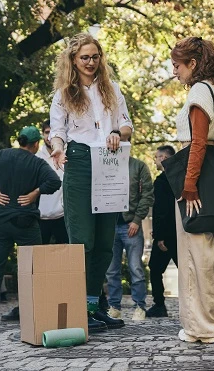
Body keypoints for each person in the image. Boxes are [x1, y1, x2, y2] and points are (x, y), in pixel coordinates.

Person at [49, 33, 133, 333]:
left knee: (103, 244)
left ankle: (94, 308)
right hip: (80, 162)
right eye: (85, 57)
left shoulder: (112, 89)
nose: (91, 62)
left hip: (109, 162)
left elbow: (126, 124)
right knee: (82, 241)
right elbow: (57, 131)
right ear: (73, 60)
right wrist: (57, 148)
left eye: (95, 56)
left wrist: (117, 134)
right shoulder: (63, 94)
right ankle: (78, 310)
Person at [170, 36, 214, 343]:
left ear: (192, 64)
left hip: (197, 178)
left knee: (195, 255)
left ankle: (201, 327)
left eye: (176, 65)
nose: (174, 72)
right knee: (213, 254)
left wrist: (189, 183)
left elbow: (198, 141)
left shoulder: (198, 90)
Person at [0, 126, 61, 328]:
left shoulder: (0, 156)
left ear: (20, 141)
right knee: (34, 270)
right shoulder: (37, 163)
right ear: (36, 144)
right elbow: (55, 182)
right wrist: (35, 193)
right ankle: (36, 314)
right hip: (26, 224)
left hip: (1, 223)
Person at [106, 155, 154, 321]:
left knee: (136, 269)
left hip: (130, 224)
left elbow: (147, 193)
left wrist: (137, 219)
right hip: (110, 225)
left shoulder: (138, 166)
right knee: (111, 270)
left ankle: (140, 306)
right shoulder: (104, 164)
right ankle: (114, 307)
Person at [146, 145, 178, 318]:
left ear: (164, 158)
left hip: (166, 235)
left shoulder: (161, 181)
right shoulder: (181, 177)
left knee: (155, 268)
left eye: (157, 157)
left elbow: (161, 210)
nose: (155, 160)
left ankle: (159, 305)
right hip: (180, 232)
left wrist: (160, 236)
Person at [36, 120, 68, 245]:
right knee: (39, 258)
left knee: (67, 257)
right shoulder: (36, 158)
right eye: (47, 132)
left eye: (53, 132)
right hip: (41, 216)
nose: (49, 137)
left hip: (63, 216)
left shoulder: (69, 155)